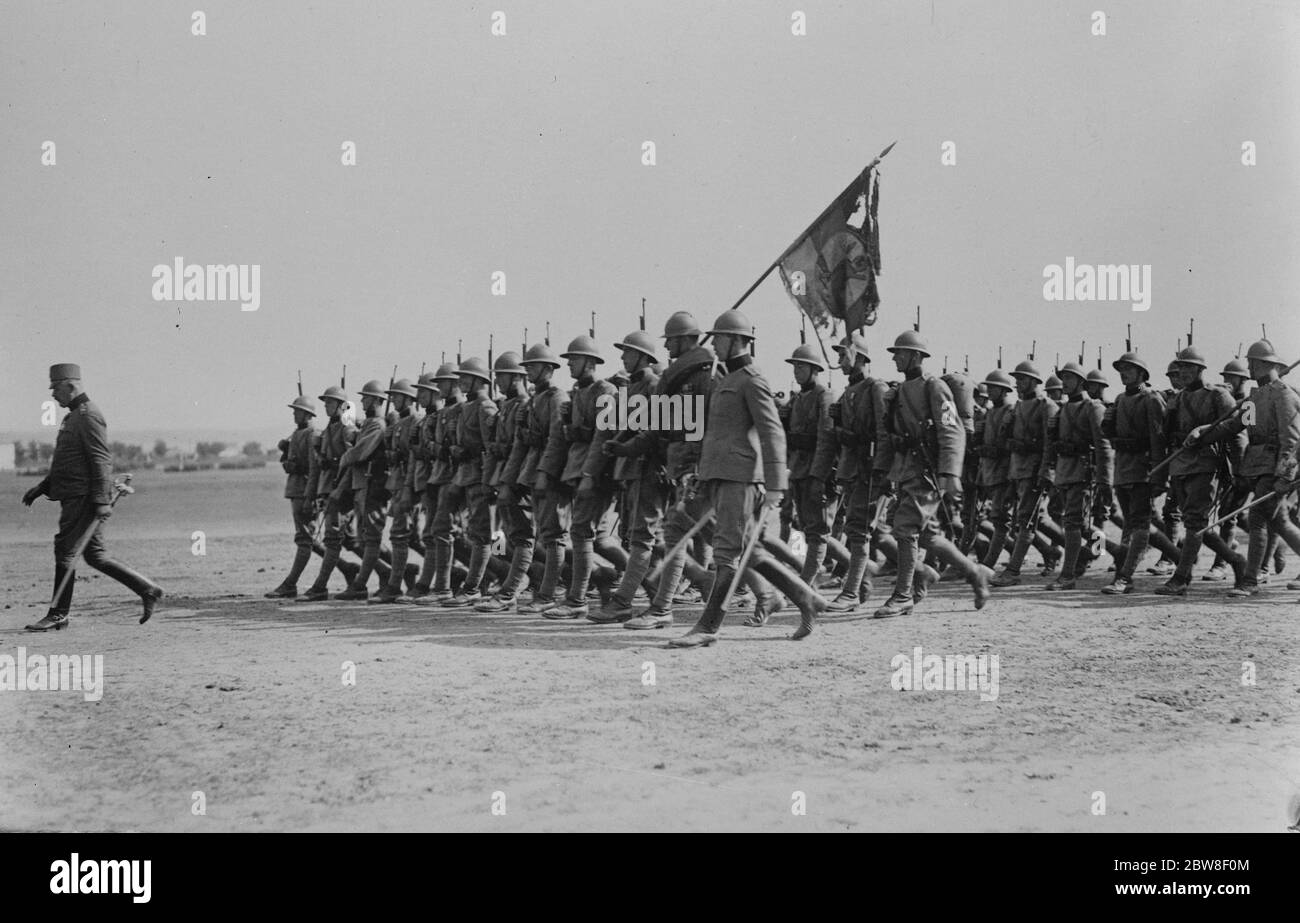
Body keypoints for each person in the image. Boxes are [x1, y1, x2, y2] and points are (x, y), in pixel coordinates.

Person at [668, 310, 827, 647]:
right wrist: (702, 473)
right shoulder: (725, 380)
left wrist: (774, 486)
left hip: (741, 480)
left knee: (726, 555)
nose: (715, 345)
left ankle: (707, 628)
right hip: (719, 478)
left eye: (720, 338)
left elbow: (773, 433)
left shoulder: (753, 380)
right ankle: (807, 599)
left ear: (737, 340)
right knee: (747, 552)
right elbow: (717, 435)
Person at [22, 364, 163, 630]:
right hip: (78, 495)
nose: (53, 395)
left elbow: (100, 461)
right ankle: (147, 589)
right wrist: (42, 488)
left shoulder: (88, 415)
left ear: (70, 386)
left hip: (84, 498)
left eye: (55, 388)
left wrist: (100, 501)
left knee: (65, 550)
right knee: (95, 555)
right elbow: (68, 461)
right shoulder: (72, 416)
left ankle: (58, 614)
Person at [872, 331, 991, 618]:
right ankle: (974, 573)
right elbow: (892, 435)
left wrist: (950, 472)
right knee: (926, 535)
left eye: (900, 352)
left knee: (905, 529)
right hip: (905, 470)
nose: (895, 357)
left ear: (916, 356)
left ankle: (902, 596)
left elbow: (951, 430)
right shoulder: (898, 391)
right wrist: (884, 472)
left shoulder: (934, 387)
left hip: (927, 472)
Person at [1187, 339, 1300, 597]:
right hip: (1256, 465)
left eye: (1250, 362)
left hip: (1274, 467)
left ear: (1261, 364)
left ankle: (1249, 580)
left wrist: (1285, 475)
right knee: (1279, 521)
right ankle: (1252, 577)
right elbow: (1235, 425)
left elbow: (1291, 441)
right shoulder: (1256, 395)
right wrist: (1203, 433)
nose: (1247, 367)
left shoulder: (1284, 395)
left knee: (1259, 518)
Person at [266, 394, 319, 598]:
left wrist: (309, 496)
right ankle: (347, 568)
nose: (294, 415)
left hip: (305, 490)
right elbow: (291, 460)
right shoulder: (297, 434)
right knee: (307, 539)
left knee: (305, 539)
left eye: (297, 411)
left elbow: (314, 468)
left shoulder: (312, 434)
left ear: (307, 413)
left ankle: (291, 584)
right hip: (296, 489)